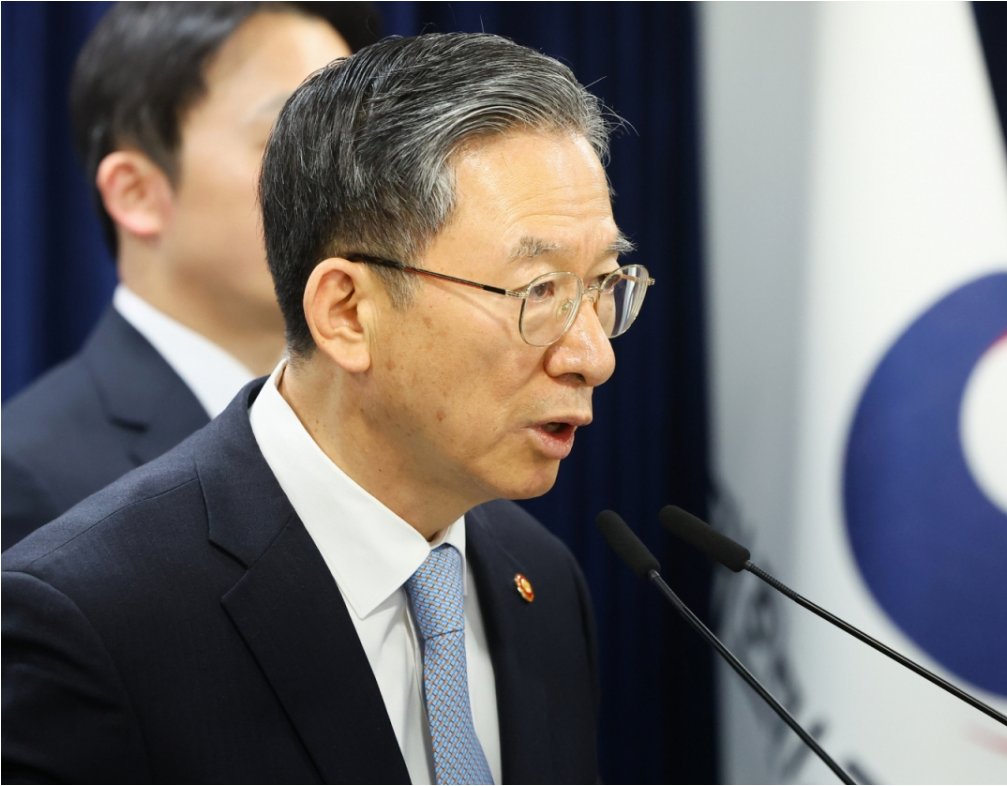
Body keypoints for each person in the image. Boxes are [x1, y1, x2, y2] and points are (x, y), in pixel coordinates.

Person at [2, 31, 655, 784]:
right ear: (346, 312)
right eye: (539, 292)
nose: (593, 356)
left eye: (605, 284)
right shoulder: (91, 618)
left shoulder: (540, 576)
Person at [0, 2, 375, 549]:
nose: (353, 179)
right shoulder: (28, 481)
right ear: (136, 193)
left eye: (356, 142)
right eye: (294, 140)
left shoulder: (405, 433)